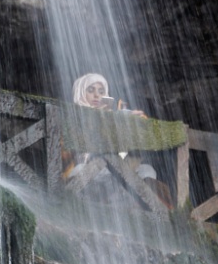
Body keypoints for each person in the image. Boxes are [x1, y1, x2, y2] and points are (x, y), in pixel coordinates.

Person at [65, 74, 172, 207]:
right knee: (79, 170)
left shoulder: (113, 118)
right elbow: (71, 154)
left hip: (115, 172)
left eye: (101, 91)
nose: (97, 95)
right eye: (91, 90)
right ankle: (78, 205)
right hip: (91, 172)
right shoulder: (72, 118)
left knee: (147, 170)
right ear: (81, 92)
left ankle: (156, 212)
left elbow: (123, 151)